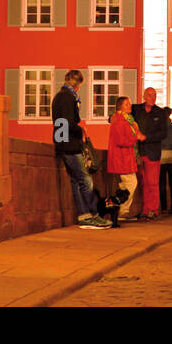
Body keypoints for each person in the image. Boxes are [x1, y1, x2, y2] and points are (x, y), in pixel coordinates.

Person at [52, 70, 111, 228]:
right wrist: (80, 131)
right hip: (69, 144)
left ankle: (84, 216)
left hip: (64, 142)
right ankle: (92, 215)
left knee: (76, 181)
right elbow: (67, 122)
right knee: (85, 180)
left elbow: (61, 123)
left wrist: (62, 143)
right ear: (77, 84)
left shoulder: (60, 96)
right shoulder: (67, 97)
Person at [131, 87, 169, 221]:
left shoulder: (160, 113)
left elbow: (163, 133)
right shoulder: (136, 109)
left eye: (154, 95)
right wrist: (112, 118)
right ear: (144, 96)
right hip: (138, 153)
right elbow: (123, 114)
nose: (152, 98)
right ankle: (146, 209)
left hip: (152, 153)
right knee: (144, 183)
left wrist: (146, 137)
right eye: (149, 95)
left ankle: (152, 210)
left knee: (152, 183)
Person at [107, 96, 145, 222]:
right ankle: (121, 211)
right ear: (120, 107)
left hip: (125, 158)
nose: (130, 106)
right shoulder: (120, 120)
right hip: (122, 158)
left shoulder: (125, 120)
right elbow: (121, 140)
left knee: (126, 184)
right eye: (127, 104)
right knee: (132, 183)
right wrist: (136, 138)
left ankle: (118, 208)